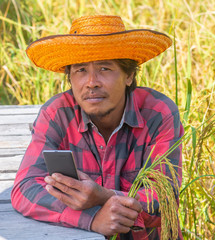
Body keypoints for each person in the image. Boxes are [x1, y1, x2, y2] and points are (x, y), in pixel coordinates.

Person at [10, 15, 183, 240]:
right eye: (81, 70)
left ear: (129, 75)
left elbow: (164, 199)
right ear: (70, 78)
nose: (92, 82)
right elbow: (24, 188)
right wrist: (92, 219)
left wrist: (103, 196)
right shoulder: (57, 113)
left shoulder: (158, 113)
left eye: (104, 68)